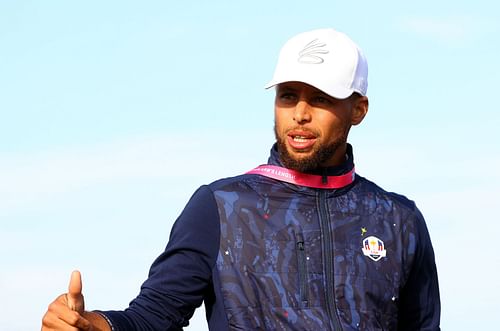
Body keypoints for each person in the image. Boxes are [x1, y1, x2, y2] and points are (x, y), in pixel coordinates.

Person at [41, 28, 441, 331]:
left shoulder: (398, 219)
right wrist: (98, 325)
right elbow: (156, 315)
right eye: (288, 95)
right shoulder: (220, 205)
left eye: (320, 99)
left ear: (358, 109)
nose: (300, 113)